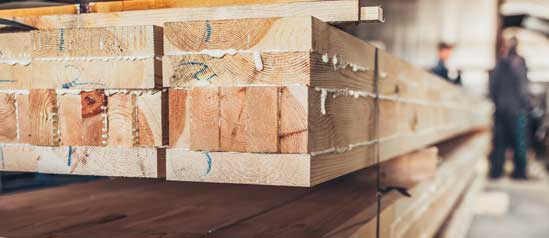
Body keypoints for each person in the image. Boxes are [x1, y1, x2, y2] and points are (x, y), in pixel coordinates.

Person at [488, 37, 531, 179]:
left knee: (499, 142)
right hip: (516, 110)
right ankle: (520, 173)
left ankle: (496, 172)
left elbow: (492, 87)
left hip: (501, 111)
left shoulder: (500, 63)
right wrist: (526, 105)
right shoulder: (519, 62)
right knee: (519, 142)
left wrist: (498, 103)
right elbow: (523, 87)